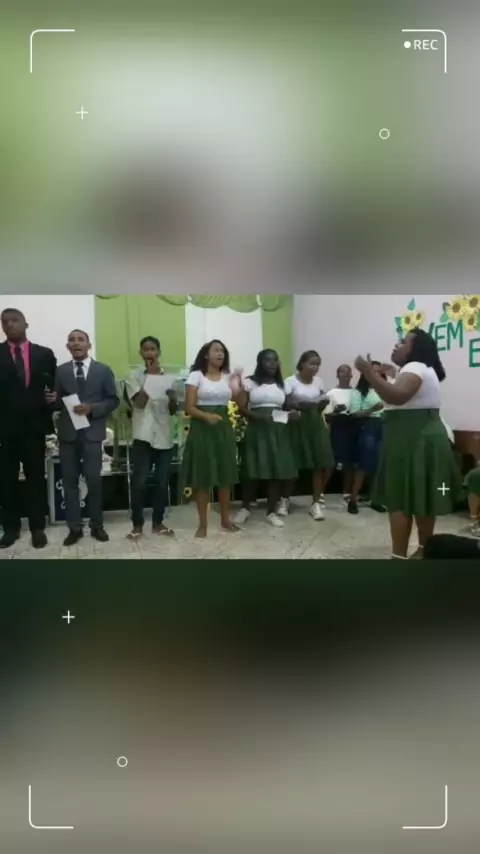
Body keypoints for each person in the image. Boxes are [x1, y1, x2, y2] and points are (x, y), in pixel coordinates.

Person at [354, 329, 463, 559]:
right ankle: (424, 551)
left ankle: (399, 558)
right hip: (421, 437)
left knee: (399, 498)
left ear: (416, 349)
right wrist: (391, 373)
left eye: (403, 342)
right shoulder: (422, 369)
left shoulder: (414, 367)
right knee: (422, 497)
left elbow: (397, 396)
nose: (396, 345)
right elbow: (407, 394)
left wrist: (367, 372)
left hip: (410, 439)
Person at [46, 329, 119, 545]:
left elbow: (113, 400)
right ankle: (74, 528)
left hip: (92, 433)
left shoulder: (103, 370)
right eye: (72, 340)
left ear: (89, 345)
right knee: (69, 483)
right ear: (67, 346)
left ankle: (97, 526)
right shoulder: (60, 371)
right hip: (68, 434)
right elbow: (57, 403)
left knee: (94, 481)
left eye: (80, 340)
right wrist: (51, 400)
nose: (76, 343)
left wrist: (92, 408)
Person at [0, 307, 56, 549]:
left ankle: (37, 527)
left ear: (26, 324)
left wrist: (53, 400)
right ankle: (10, 528)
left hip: (34, 428)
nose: (9, 325)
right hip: (4, 429)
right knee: (6, 480)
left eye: (14, 320)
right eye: (4, 322)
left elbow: (53, 387)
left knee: (35, 479)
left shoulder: (45, 354)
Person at [182, 339, 241, 538]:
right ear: (207, 354)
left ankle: (225, 520)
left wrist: (239, 384)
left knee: (225, 474)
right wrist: (207, 416)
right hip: (202, 429)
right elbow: (189, 407)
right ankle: (203, 524)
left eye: (223, 351)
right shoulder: (196, 376)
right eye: (216, 350)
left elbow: (239, 401)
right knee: (203, 476)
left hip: (223, 428)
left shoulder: (227, 377)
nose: (220, 353)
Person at [234, 349, 298, 528]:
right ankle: (245, 508)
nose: (272, 364)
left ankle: (271, 511)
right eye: (267, 360)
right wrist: (259, 417)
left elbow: (288, 407)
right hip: (257, 430)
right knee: (251, 470)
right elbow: (241, 408)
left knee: (275, 471)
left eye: (275, 360)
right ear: (260, 363)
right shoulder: (250, 383)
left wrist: (293, 414)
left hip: (278, 431)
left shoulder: (283, 385)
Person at [125, 336, 178, 540]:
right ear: (141, 354)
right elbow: (139, 403)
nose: (149, 353)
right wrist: (151, 378)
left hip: (164, 436)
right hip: (143, 435)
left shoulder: (170, 378)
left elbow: (173, 410)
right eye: (146, 350)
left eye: (153, 349)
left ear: (158, 352)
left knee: (162, 482)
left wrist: (172, 398)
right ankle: (137, 524)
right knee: (139, 483)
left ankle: (158, 522)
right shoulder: (133, 377)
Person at [278, 350, 333, 520]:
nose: (315, 367)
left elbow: (321, 404)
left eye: (318, 364)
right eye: (312, 363)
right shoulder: (290, 381)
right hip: (297, 424)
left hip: (315, 424)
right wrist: (297, 404)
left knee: (318, 464)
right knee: (293, 465)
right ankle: (284, 500)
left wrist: (322, 403)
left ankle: (316, 504)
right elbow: (285, 403)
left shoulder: (319, 382)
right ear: (302, 363)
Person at [347, 360, 385, 515]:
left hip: (385, 426)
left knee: (380, 465)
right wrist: (372, 409)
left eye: (379, 371)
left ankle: (375, 499)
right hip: (369, 426)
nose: (376, 374)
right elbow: (355, 414)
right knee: (364, 465)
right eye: (372, 371)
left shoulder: (386, 389)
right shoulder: (359, 392)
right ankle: (353, 500)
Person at [324, 364, 357, 501]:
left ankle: (346, 491)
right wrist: (336, 411)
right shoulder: (331, 393)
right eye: (342, 372)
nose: (345, 374)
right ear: (337, 375)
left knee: (350, 461)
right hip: (338, 427)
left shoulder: (356, 393)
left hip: (353, 426)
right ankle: (321, 491)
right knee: (332, 460)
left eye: (348, 372)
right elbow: (327, 416)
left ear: (351, 375)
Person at [464, 464, 480, 537]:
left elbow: (465, 483)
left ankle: (475, 528)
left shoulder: (472, 472)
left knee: (474, 512)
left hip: (473, 494)